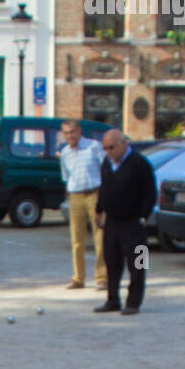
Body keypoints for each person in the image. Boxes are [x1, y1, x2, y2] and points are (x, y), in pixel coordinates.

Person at [94, 129, 157, 315]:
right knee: (111, 262)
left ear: (123, 143)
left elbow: (150, 193)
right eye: (105, 148)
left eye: (111, 147)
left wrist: (143, 217)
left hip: (134, 222)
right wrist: (99, 210)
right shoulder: (107, 163)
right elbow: (103, 187)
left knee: (138, 263)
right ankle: (112, 300)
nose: (108, 152)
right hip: (112, 222)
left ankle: (134, 302)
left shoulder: (140, 163)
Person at [59, 120, 107, 291]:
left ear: (79, 131)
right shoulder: (64, 153)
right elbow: (66, 177)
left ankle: (102, 278)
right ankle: (78, 278)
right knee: (76, 239)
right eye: (66, 133)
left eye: (72, 132)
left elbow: (106, 170)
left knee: (100, 237)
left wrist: (103, 196)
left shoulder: (93, 147)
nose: (70, 136)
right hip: (75, 196)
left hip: (94, 194)